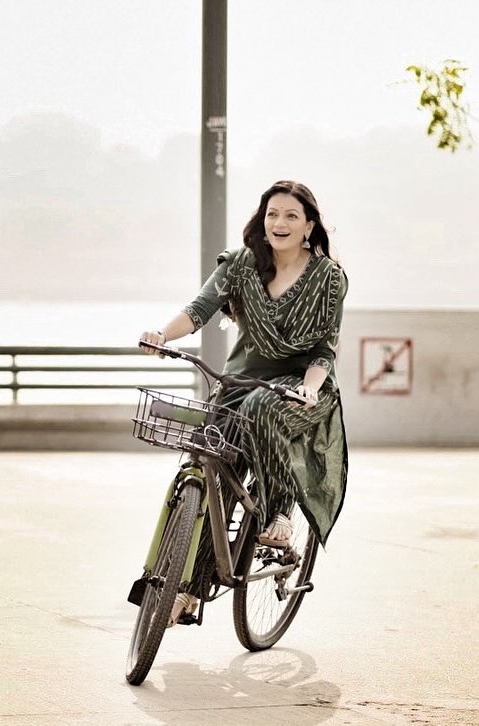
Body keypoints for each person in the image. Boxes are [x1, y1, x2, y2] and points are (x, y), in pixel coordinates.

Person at [139, 180, 348, 624]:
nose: (280, 223)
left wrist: (310, 387)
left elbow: (324, 352)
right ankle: (186, 588)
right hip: (240, 383)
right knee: (206, 465)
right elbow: (199, 309)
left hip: (298, 389)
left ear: (309, 224)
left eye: (291, 215)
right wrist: (162, 335)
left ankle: (279, 515)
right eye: (273, 213)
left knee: (260, 409)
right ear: (262, 218)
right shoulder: (241, 265)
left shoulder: (328, 278)